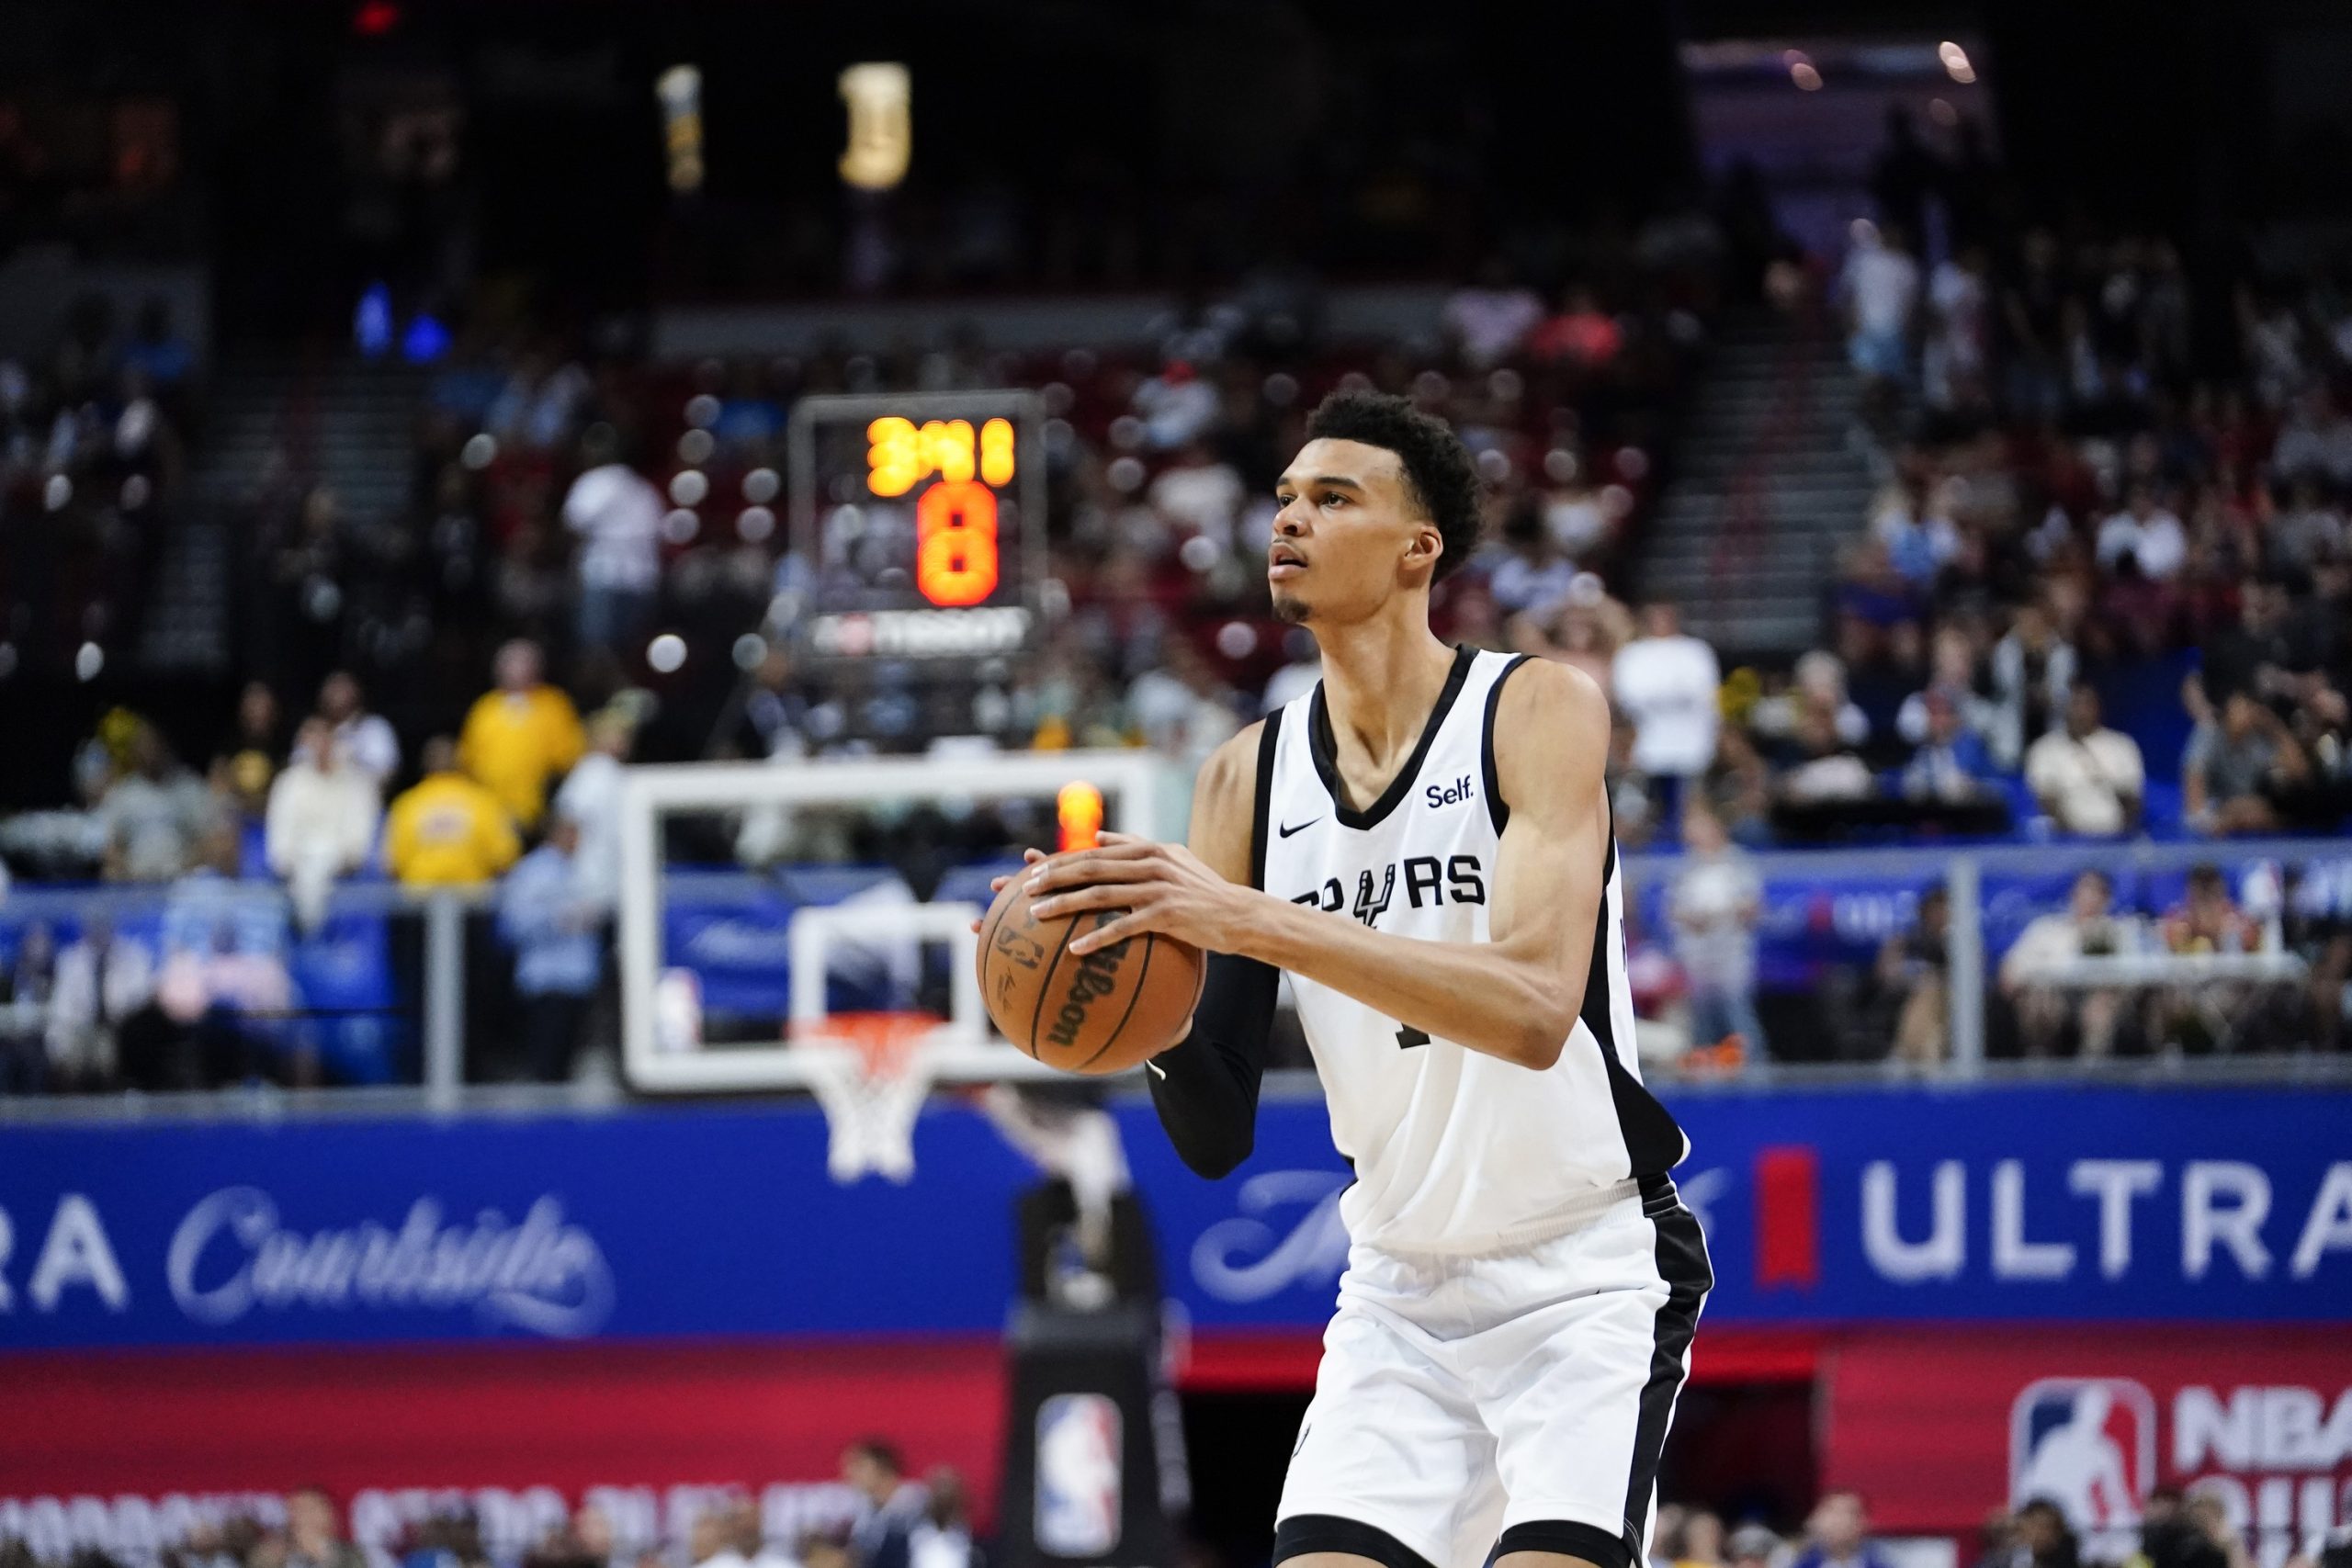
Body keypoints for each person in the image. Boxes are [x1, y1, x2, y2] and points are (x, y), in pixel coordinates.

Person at [1014, 391, 1707, 1568]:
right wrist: (1131, 990)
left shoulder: (1531, 709)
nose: (1289, 520)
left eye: (1331, 499)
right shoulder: (1245, 778)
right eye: (1284, 499)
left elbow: (1535, 1014)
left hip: (1584, 1279)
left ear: (1415, 548)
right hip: (1399, 1294)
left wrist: (1255, 918)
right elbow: (1215, 1126)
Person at [498, 814, 601, 1081]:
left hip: (576, 980)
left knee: (569, 1063)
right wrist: (557, 920)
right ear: (557, 834)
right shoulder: (533, 872)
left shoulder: (577, 869)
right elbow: (514, 924)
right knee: (546, 1062)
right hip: (547, 979)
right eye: (573, 833)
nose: (578, 841)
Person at [2001, 870, 2135, 1058]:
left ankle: (2091, 1069)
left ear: (2107, 898)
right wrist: (2015, 977)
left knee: (2101, 1006)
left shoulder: (2118, 931)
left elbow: (2132, 972)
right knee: (2041, 1002)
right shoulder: (2046, 928)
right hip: (2054, 995)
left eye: (2097, 892)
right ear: (2073, 895)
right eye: (2085, 890)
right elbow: (2012, 965)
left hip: (2099, 994)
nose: (2089, 898)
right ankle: (2040, 1064)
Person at [266, 719, 384, 931]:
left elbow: (359, 844)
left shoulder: (357, 784)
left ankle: (311, 925)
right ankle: (308, 927)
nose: (321, 747)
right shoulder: (289, 782)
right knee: (308, 870)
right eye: (314, 739)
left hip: (344, 870)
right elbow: (280, 845)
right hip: (299, 869)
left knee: (320, 864)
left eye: (326, 739)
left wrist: (344, 862)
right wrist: (289, 864)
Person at [1669, 805, 1766, 1059]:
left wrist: (1720, 914)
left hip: (1731, 956)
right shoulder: (1686, 866)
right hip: (1697, 958)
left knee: (1737, 1016)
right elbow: (1674, 910)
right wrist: (1695, 919)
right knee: (1701, 1024)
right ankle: (1704, 1084)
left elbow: (1752, 907)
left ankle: (1755, 1077)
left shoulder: (1736, 862)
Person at [460, 638, 586, 830]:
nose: (517, 669)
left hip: (542, 813)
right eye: (510, 663)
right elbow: (469, 760)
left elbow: (569, 757)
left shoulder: (554, 704)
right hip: (493, 812)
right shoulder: (485, 708)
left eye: (524, 662)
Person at [1612, 602, 1722, 821]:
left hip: (1693, 742)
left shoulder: (1696, 651)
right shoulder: (1632, 653)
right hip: (1645, 744)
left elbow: (1704, 693)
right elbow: (1628, 696)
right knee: (1638, 812)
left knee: (1693, 808)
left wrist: (1663, 695)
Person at [562, 425, 665, 655]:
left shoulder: (594, 481)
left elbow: (572, 528)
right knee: (631, 653)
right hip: (642, 580)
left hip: (603, 577)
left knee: (596, 650)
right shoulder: (645, 489)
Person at [386, 737, 522, 888]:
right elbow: (505, 860)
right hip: (473, 897)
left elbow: (393, 866)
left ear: (424, 765)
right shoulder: (484, 801)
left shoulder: (406, 803)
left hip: (419, 897)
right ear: (461, 762)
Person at [2183, 691, 2307, 836]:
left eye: (2250, 708)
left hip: (2251, 814)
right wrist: (2211, 818)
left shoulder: (2258, 741)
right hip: (2214, 813)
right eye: (2240, 706)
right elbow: (2194, 794)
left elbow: (2300, 774)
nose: (2246, 714)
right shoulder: (2209, 732)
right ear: (2227, 709)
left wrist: (2276, 729)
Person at [2027, 688, 2145, 837]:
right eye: (2075, 705)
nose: (2080, 712)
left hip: (2114, 836)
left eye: (2087, 705)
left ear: (2098, 709)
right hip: (2065, 838)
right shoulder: (2045, 749)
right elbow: (2046, 799)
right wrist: (2071, 836)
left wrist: (2121, 834)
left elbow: (2132, 798)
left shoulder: (2122, 745)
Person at [842, 1439, 925, 1568]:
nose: (850, 1473)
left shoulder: (917, 1507)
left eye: (859, 1465)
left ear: (883, 1467)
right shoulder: (866, 1513)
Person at [318, 671, 401, 787]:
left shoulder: (375, 728)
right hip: (318, 798)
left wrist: (349, 765)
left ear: (356, 692)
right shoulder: (313, 729)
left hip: (363, 798)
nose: (337, 693)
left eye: (342, 688)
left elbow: (386, 771)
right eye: (333, 688)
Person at [1787, 1494, 1896, 1568]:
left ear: (1865, 1523)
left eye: (1849, 1513)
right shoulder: (1796, 1561)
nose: (1838, 1521)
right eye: (1831, 1511)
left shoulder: (1883, 1562)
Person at [286, 1488, 367, 1568]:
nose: (303, 1516)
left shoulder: (349, 1554)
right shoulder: (281, 1554)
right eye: (295, 1509)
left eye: (310, 1509)